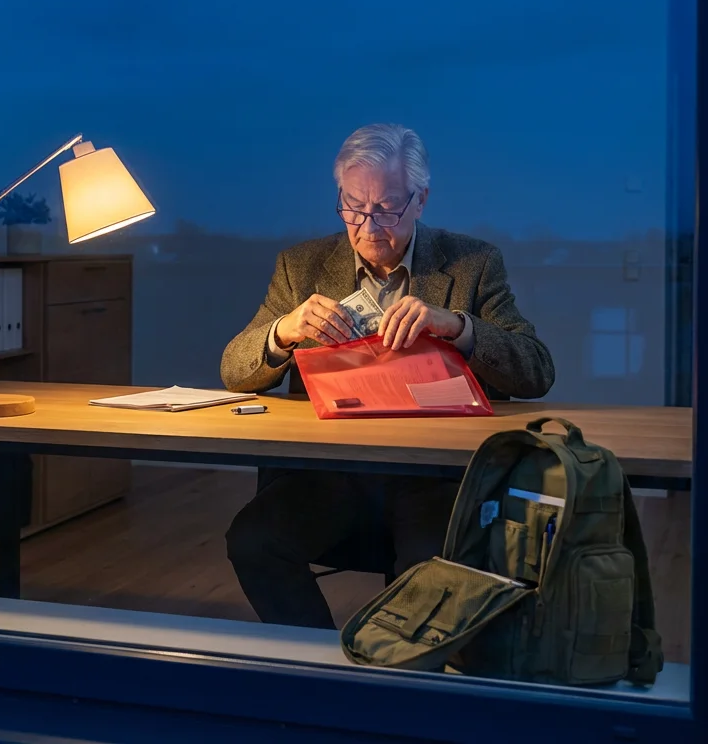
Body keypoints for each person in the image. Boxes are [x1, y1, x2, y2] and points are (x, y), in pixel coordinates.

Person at [218, 123, 554, 629]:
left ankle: (400, 670)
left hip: (433, 475)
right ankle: (318, 665)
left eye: (387, 208)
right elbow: (233, 370)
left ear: (421, 200)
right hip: (332, 473)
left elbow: (536, 370)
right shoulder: (301, 266)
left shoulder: (472, 264)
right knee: (252, 540)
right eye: (353, 207)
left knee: (429, 565)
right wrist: (283, 331)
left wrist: (458, 327)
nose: (369, 226)